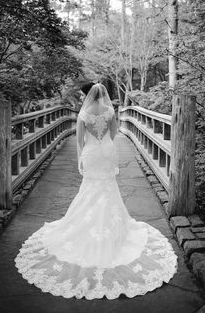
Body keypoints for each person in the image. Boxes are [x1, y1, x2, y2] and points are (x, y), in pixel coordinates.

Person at [15, 83, 177, 300]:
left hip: (92, 153)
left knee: (89, 190)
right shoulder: (110, 111)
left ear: (87, 95)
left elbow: (80, 140)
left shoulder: (83, 113)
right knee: (108, 189)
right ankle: (113, 231)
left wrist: (80, 160)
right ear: (103, 95)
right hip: (107, 151)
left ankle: (84, 227)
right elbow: (113, 134)